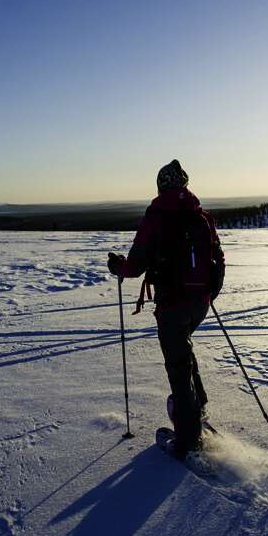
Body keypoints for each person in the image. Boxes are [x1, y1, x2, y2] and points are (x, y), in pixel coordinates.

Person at [108, 160, 225, 457]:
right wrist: (208, 294)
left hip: (172, 304)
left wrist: (117, 266)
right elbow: (218, 259)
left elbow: (135, 265)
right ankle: (197, 410)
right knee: (183, 354)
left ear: (161, 185)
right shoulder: (202, 215)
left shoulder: (156, 216)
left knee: (178, 365)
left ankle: (188, 439)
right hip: (199, 303)